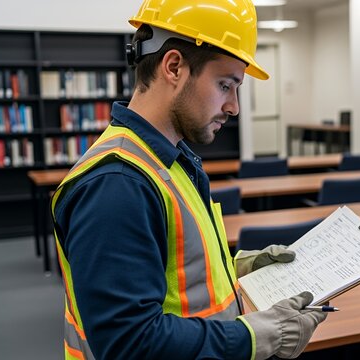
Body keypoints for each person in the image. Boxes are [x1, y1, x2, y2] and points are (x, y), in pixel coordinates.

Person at [51, 0, 327, 359]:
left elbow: (171, 270)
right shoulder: (117, 184)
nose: (234, 107)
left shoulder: (170, 160)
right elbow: (130, 344)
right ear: (175, 67)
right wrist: (255, 337)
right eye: (226, 85)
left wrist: (240, 266)